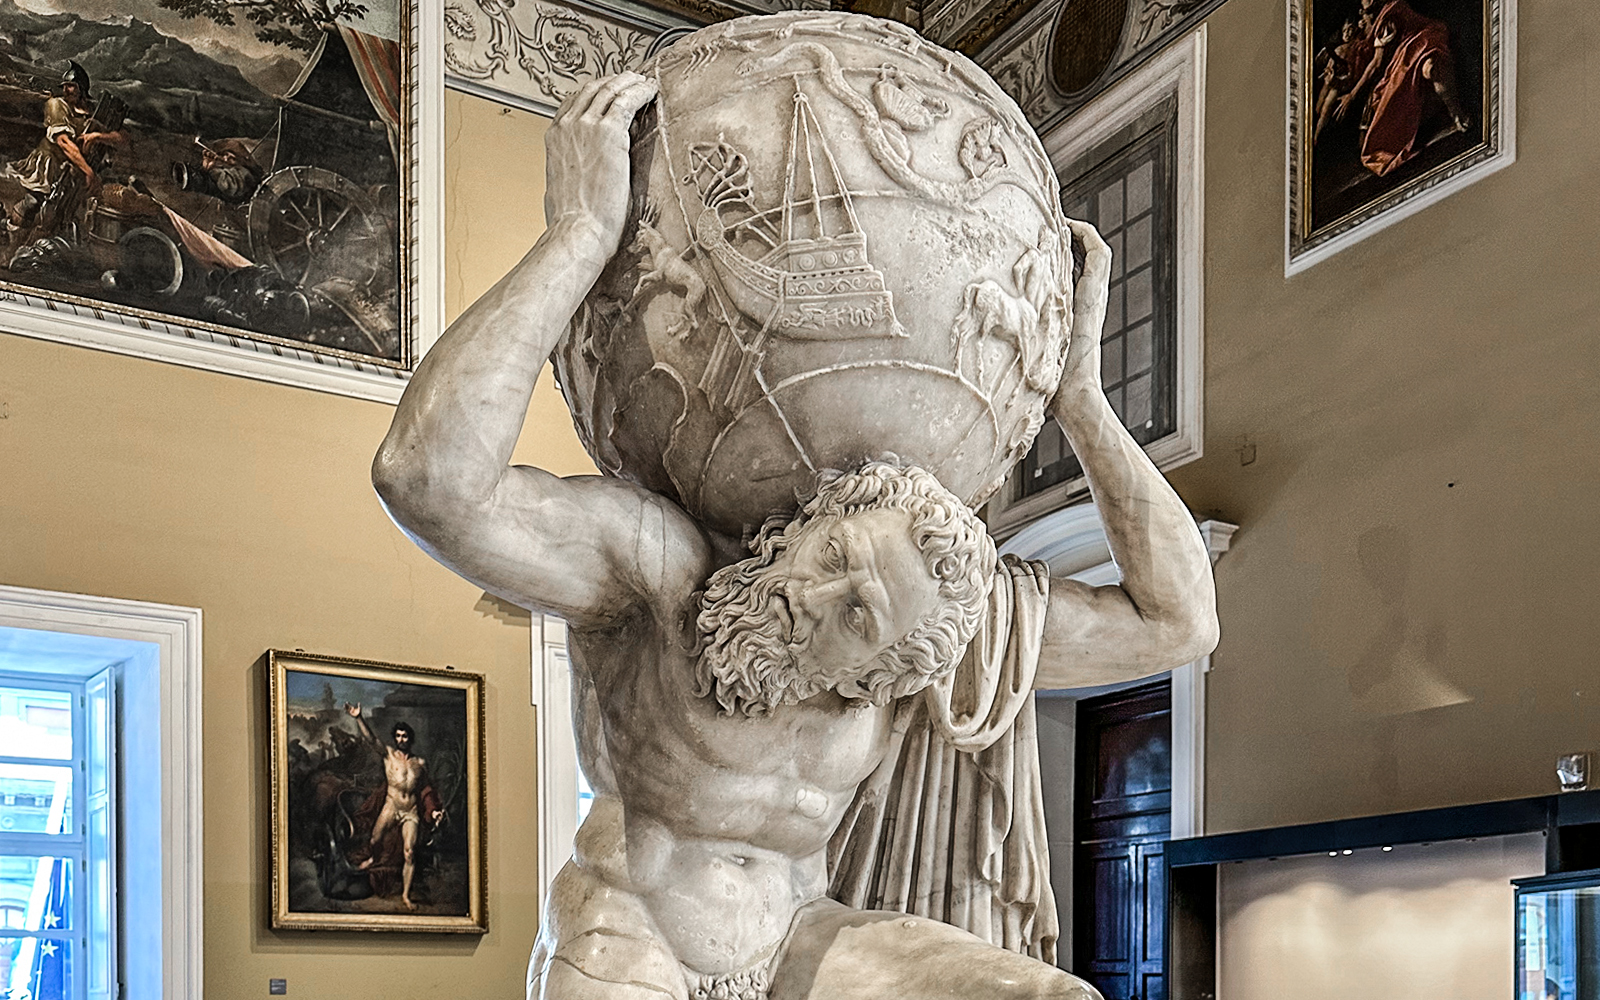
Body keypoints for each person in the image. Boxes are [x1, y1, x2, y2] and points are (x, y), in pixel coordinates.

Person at [372, 73, 1217, 999]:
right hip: (630, 931)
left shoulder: (921, 648)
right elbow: (428, 479)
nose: (812, 595)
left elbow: (1178, 621)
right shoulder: (658, 574)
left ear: (882, 668)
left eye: (856, 615)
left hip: (801, 939)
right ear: (813, 526)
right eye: (836, 558)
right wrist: (577, 237)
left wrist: (1083, 404)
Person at [1335, 0, 1471, 176]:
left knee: (1431, 67)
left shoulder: (1387, 15)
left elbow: (1376, 64)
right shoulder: (1377, 20)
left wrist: (1352, 95)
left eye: (1367, 7)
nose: (1365, 11)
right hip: (1407, 55)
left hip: (1419, 45)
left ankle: (1456, 113)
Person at [342, 703, 444, 910]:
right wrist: (359, 718)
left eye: (404, 736)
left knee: (409, 852)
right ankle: (372, 859)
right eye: (397, 735)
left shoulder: (420, 763)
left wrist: (433, 810)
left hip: (411, 811)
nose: (400, 739)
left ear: (410, 738)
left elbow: (426, 790)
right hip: (391, 805)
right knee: (375, 839)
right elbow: (371, 740)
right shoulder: (388, 755)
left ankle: (406, 896)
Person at [3, 62, 118, 244]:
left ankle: (53, 247)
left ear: (81, 87)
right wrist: (89, 172)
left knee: (68, 210)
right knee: (33, 203)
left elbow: (123, 137)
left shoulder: (92, 111)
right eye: (64, 87)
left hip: (74, 167)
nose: (66, 90)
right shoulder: (56, 105)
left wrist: (97, 136)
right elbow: (64, 142)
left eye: (71, 86)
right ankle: (11, 241)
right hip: (50, 163)